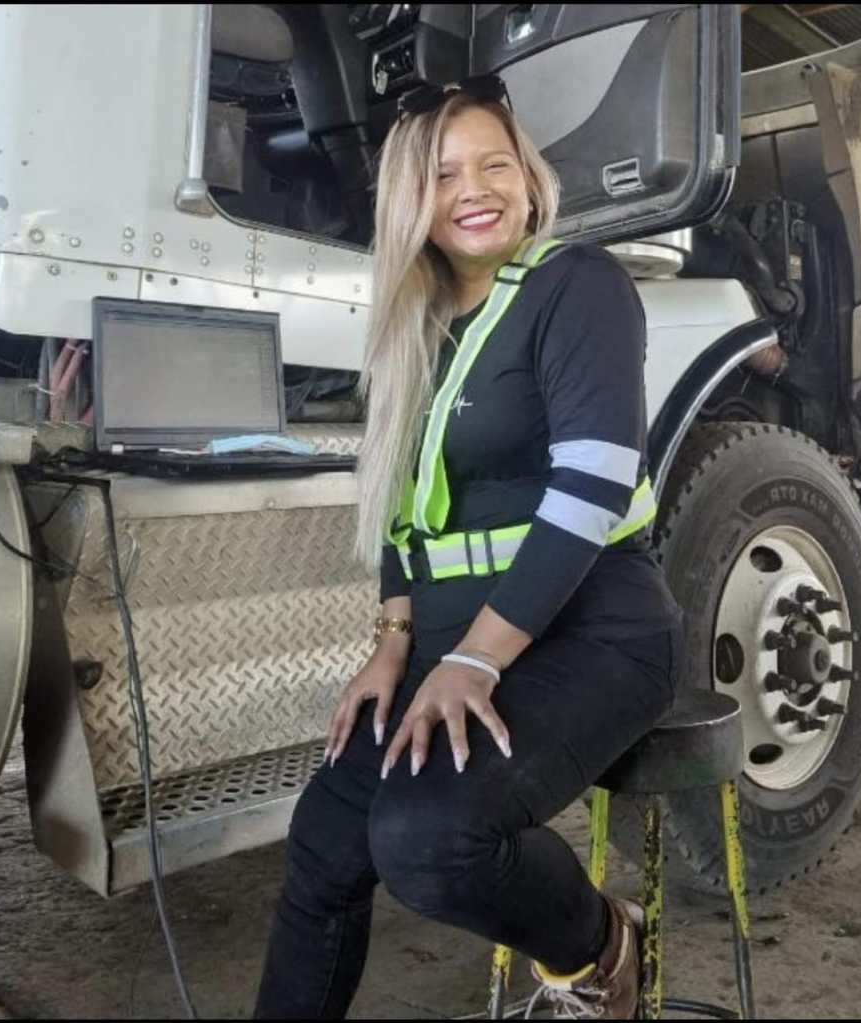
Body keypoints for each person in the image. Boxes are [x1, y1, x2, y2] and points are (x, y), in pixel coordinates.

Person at [255, 74, 684, 1020]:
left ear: (530, 179)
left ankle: (599, 944)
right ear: (411, 200)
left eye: (495, 165)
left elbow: (590, 490)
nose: (474, 190)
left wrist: (476, 658)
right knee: (325, 841)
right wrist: (396, 638)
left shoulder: (578, 286)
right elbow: (402, 505)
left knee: (427, 839)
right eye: (444, 175)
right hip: (453, 642)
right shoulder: (418, 323)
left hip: (593, 634)